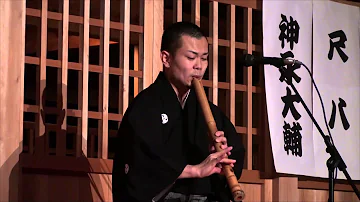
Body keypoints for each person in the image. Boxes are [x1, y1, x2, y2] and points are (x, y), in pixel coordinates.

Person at [112, 21, 245, 202]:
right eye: (191, 58)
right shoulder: (146, 106)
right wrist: (194, 170)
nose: (199, 65)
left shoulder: (210, 112)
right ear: (166, 59)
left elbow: (235, 153)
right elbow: (141, 163)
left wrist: (218, 158)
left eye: (204, 58)